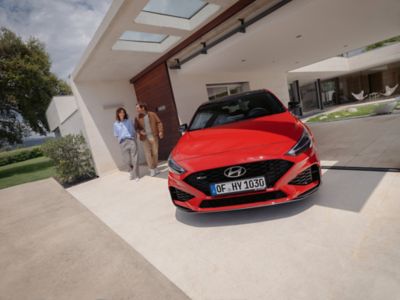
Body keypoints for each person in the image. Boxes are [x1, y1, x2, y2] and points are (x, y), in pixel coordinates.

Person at [135, 102, 164, 176]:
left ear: (143, 108)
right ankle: (151, 169)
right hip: (145, 138)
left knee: (155, 153)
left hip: (154, 136)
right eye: (136, 108)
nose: (137, 109)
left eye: (138, 108)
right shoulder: (137, 117)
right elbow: (136, 128)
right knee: (148, 154)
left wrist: (160, 131)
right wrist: (140, 132)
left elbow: (159, 122)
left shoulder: (152, 114)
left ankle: (155, 167)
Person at [113, 107, 139, 181]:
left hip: (131, 140)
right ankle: (131, 172)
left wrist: (134, 139)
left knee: (135, 158)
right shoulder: (115, 124)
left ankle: (136, 175)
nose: (122, 114)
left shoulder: (129, 121)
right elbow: (116, 135)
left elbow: (133, 131)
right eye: (120, 112)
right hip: (123, 142)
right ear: (118, 114)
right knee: (127, 160)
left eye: (123, 112)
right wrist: (120, 141)